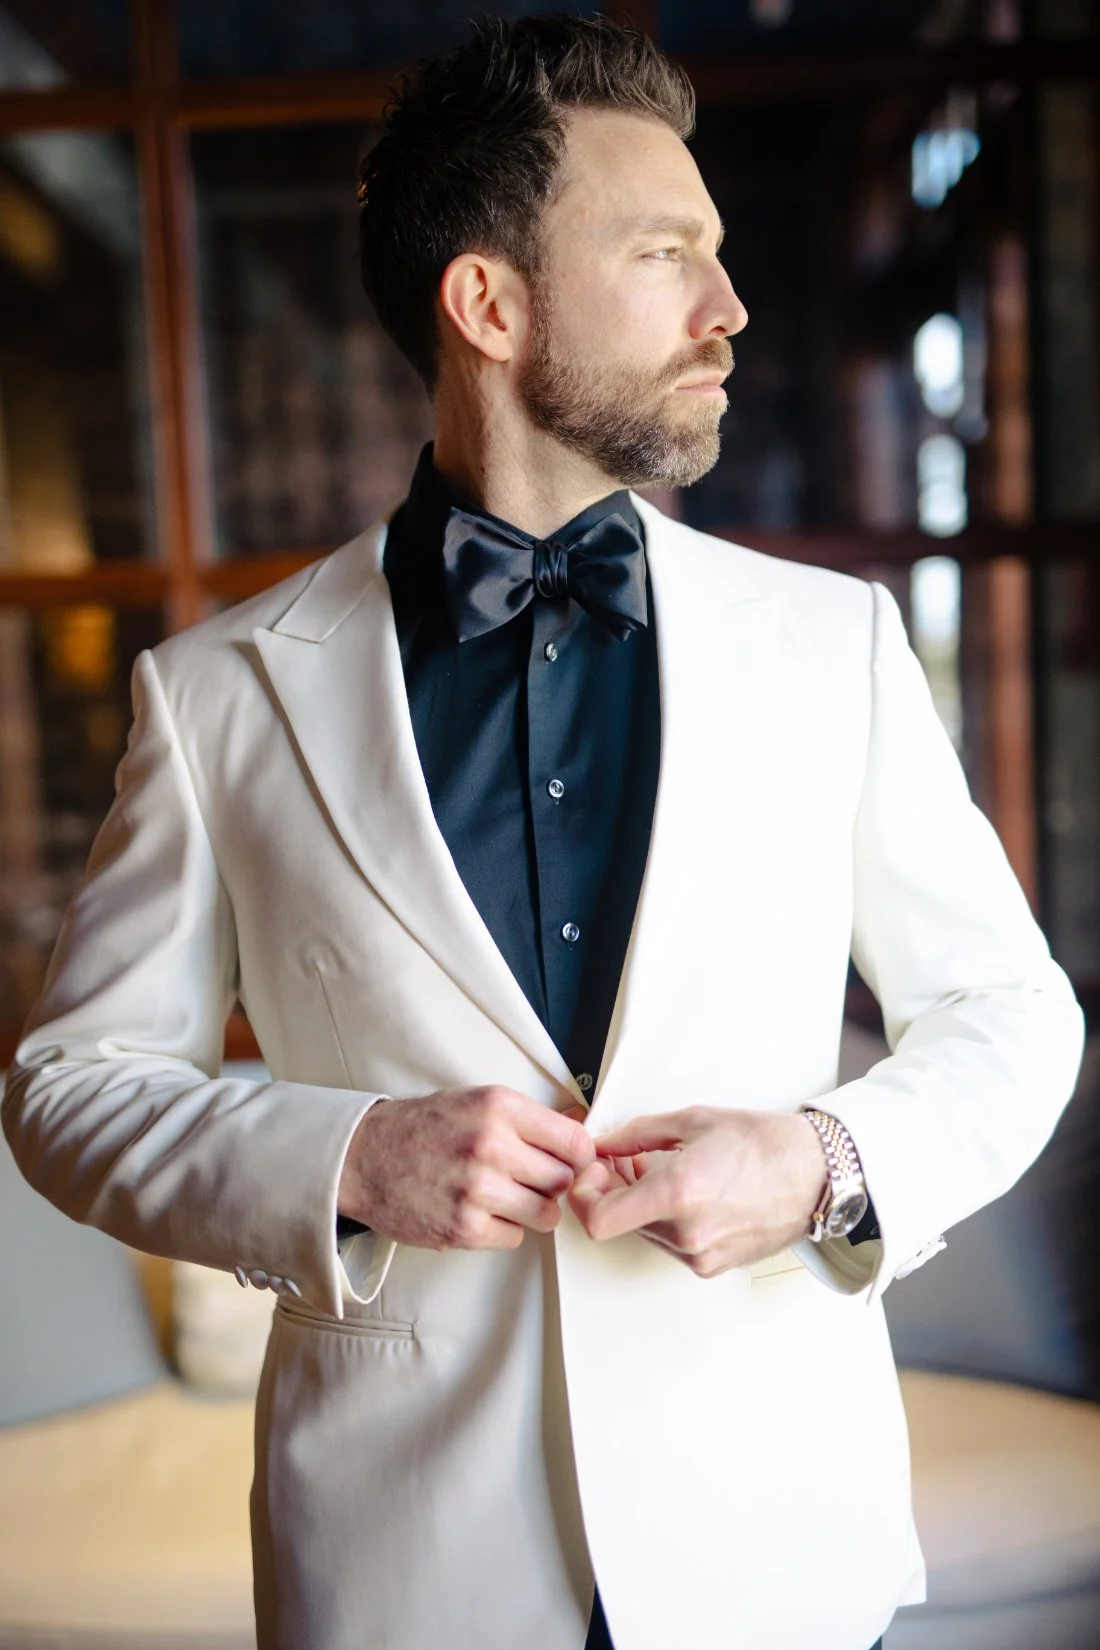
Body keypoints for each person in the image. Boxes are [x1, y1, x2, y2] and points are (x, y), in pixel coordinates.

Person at [2, 16, 1084, 1650]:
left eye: (720, 257)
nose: (730, 312)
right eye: (667, 255)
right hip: (402, 1566)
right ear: (489, 302)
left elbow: (1015, 1014)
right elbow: (68, 1085)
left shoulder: (836, 648)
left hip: (774, 1551)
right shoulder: (218, 693)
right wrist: (347, 1157)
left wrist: (825, 1161)